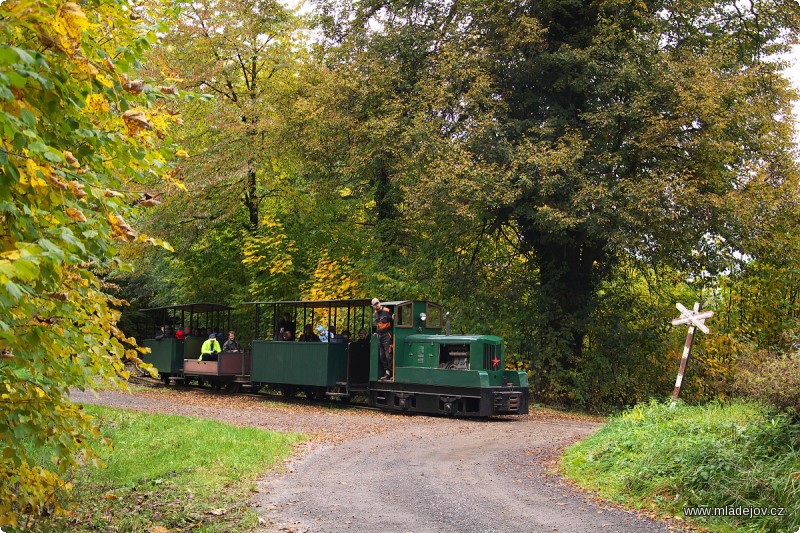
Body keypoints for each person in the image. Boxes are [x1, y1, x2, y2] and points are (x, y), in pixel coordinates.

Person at [372, 298, 394, 381]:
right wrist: (377, 332)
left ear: (379, 303)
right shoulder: (375, 313)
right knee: (382, 356)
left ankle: (392, 373)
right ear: (373, 306)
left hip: (387, 335)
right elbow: (378, 324)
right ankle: (387, 372)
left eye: (377, 303)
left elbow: (394, 321)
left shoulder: (387, 311)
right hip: (380, 336)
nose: (376, 305)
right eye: (374, 304)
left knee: (388, 355)